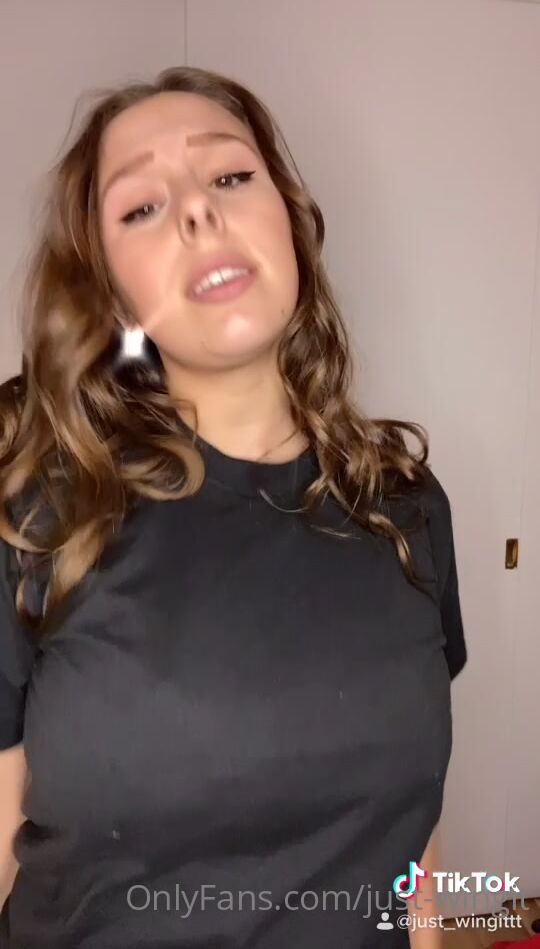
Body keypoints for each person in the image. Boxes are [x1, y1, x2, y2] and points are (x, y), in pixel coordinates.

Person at [0, 65, 467, 948]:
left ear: (287, 217)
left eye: (229, 175)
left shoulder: (405, 510)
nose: (197, 212)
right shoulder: (35, 514)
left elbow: (412, 850)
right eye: (142, 206)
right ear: (110, 289)